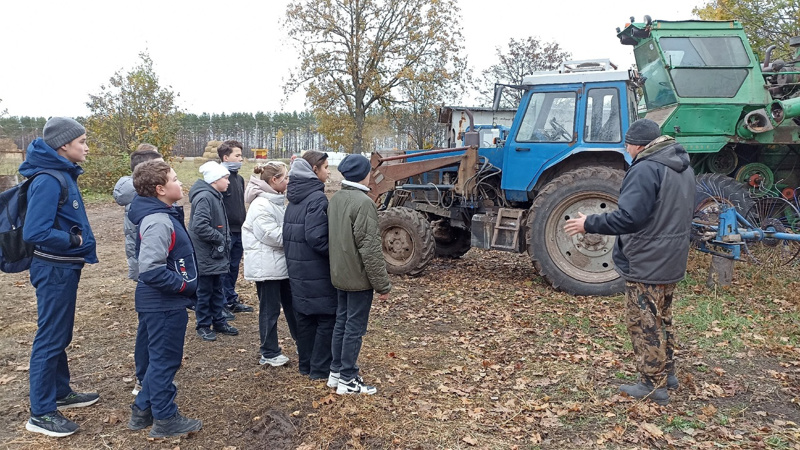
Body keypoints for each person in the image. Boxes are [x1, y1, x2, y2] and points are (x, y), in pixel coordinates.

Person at [563, 119, 695, 406]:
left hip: (648, 258)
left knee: (643, 321)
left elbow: (629, 217)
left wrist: (590, 223)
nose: (626, 149)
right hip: (671, 255)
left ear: (637, 144)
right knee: (663, 318)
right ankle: (667, 373)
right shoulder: (681, 166)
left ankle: (652, 384)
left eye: (627, 144)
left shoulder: (646, 168)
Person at [20, 117, 99, 437]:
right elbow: (35, 230)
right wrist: (74, 241)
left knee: (59, 333)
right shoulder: (50, 179)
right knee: (50, 337)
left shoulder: (61, 173)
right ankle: (41, 412)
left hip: (63, 268)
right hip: (54, 268)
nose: (87, 147)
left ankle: (61, 393)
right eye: (82, 142)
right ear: (64, 145)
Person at [127, 160, 202, 438]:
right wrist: (184, 287)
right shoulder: (158, 221)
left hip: (158, 302)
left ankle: (142, 410)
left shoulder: (162, 214)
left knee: (156, 358)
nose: (180, 182)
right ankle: (166, 419)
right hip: (163, 303)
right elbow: (150, 268)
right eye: (174, 178)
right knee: (164, 360)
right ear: (160, 189)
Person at [327, 154, 392, 395]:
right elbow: (371, 249)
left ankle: (336, 372)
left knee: (342, 322)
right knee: (354, 327)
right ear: (364, 174)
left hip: (340, 274)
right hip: (357, 277)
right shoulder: (363, 203)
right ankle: (348, 379)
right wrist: (382, 286)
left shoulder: (336, 199)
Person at [112, 144, 163, 397]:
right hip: (150, 272)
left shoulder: (143, 197)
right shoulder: (143, 202)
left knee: (149, 325)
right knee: (148, 327)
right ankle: (144, 378)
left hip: (146, 269)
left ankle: (148, 374)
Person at [284, 151, 335, 379]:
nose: (329, 172)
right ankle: (320, 369)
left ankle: (305, 365)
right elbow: (317, 237)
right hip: (315, 268)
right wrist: (336, 254)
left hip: (298, 267)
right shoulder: (316, 198)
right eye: (325, 167)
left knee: (304, 317)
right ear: (314, 170)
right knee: (326, 317)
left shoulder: (295, 196)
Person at [242, 161, 296, 366]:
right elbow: (271, 235)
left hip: (277, 265)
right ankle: (269, 351)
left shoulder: (274, 202)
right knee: (269, 309)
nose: (288, 181)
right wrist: (297, 235)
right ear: (274, 181)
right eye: (286, 177)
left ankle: (302, 341)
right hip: (267, 268)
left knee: (291, 305)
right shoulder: (261, 205)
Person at [189, 161, 239, 341]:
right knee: (204, 291)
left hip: (215, 253)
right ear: (214, 180)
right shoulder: (205, 197)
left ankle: (219, 320)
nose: (228, 182)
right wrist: (219, 238)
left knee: (217, 288)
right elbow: (200, 226)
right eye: (225, 178)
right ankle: (203, 325)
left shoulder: (214, 195)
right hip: (206, 253)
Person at [217, 140, 253, 316]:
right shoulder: (219, 179)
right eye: (237, 155)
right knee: (223, 267)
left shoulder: (238, 179)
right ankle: (221, 303)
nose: (241, 159)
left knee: (233, 267)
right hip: (225, 231)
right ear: (226, 157)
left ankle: (231, 299)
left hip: (239, 230)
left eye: (240, 155)